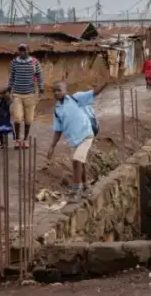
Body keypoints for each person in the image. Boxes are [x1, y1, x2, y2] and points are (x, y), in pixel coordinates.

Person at [47, 70, 112, 203]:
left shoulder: (76, 98)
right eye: (53, 91)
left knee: (76, 160)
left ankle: (76, 191)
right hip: (73, 140)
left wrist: (106, 82)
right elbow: (58, 131)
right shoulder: (57, 110)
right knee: (80, 163)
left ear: (66, 90)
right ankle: (86, 187)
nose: (56, 93)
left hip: (86, 134)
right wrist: (52, 147)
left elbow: (94, 92)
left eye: (58, 90)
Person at [8, 43, 44, 149]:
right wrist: (8, 90)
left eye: (24, 50)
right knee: (18, 118)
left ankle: (25, 140)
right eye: (20, 50)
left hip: (30, 95)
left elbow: (40, 77)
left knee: (28, 120)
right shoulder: (14, 62)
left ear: (29, 51)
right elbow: (12, 77)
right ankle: (17, 140)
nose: (22, 52)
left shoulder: (34, 62)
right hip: (17, 94)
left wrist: (41, 90)